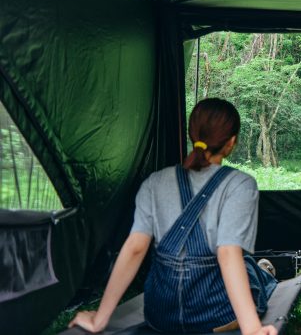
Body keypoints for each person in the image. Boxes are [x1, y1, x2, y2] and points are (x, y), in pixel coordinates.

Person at [69, 98, 278, 334]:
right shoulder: (240, 184)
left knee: (243, 264)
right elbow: (228, 254)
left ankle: (260, 269)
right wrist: (251, 329)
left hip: (161, 317)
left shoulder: (155, 182)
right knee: (248, 269)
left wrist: (100, 319)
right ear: (231, 142)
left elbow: (135, 249)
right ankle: (265, 272)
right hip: (214, 317)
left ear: (192, 134)